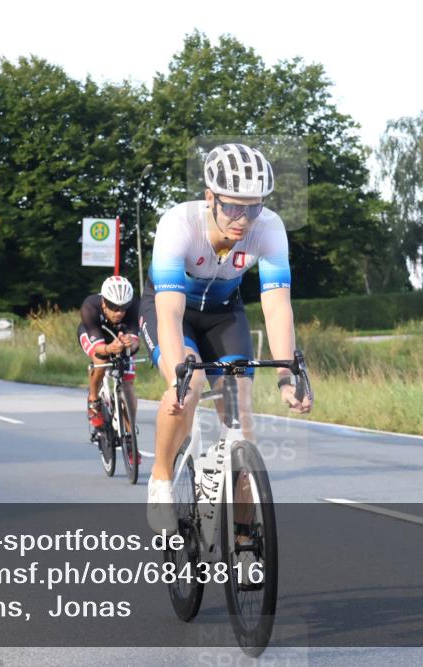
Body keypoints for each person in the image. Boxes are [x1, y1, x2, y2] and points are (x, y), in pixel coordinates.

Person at [139, 143, 313, 533]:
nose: (243, 218)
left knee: (241, 425)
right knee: (190, 382)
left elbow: (276, 305)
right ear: (209, 198)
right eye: (233, 206)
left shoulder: (269, 228)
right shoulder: (178, 224)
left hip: (223, 315)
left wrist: (287, 376)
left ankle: (245, 538)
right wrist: (176, 377)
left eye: (253, 207)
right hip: (172, 311)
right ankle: (161, 476)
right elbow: (168, 313)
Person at [78, 276, 140, 451]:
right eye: (113, 307)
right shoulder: (90, 306)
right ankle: (94, 400)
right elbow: (99, 349)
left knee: (128, 383)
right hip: (95, 335)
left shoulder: (135, 306)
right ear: (104, 302)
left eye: (123, 308)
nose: (119, 312)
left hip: (120, 335)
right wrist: (109, 348)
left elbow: (136, 343)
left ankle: (130, 434)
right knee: (101, 362)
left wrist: (131, 343)